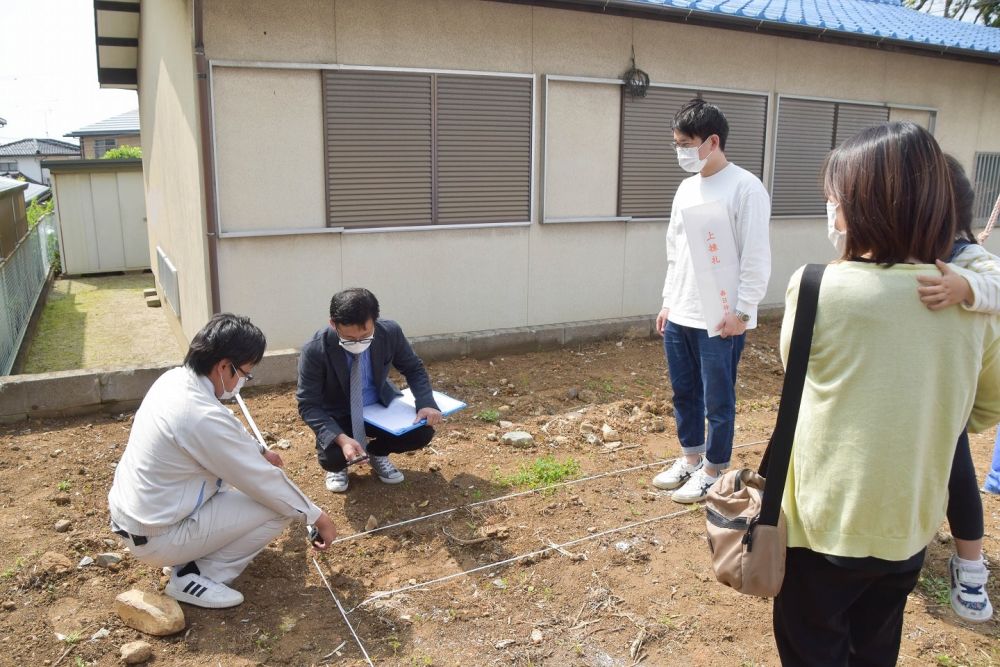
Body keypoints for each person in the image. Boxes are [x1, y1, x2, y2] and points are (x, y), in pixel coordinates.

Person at [773, 121, 1000, 665]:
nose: (830, 210)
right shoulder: (972, 304)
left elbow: (797, 378)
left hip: (822, 524)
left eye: (835, 199)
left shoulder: (815, 287)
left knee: (811, 642)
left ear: (866, 206)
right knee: (876, 642)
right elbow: (985, 407)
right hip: (910, 523)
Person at [108, 314, 338, 609]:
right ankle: (194, 575)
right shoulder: (198, 415)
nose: (243, 380)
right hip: (157, 535)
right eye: (245, 373)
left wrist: (258, 451)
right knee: (279, 508)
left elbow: (225, 430)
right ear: (223, 366)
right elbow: (264, 483)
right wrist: (317, 516)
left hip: (139, 515)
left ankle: (189, 556)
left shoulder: (174, 380)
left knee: (260, 496)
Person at [650, 98, 771, 503]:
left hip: (720, 318)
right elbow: (675, 250)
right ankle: (690, 458)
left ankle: (714, 468)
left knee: (718, 399)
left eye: (686, 143)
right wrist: (668, 301)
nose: (680, 151)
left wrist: (742, 312)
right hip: (682, 311)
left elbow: (756, 256)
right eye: (677, 144)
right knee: (684, 392)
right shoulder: (686, 189)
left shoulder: (745, 188)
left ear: (712, 141)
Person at [909, 156, 998, 622]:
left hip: (952, 398)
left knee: (957, 473)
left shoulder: (970, 258)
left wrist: (966, 288)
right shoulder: (902, 253)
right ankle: (911, 539)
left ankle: (969, 565)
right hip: (908, 390)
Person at [297, 288, 442, 493]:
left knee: (422, 433)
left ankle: (377, 453)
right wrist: (341, 438)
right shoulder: (315, 349)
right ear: (333, 324)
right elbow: (308, 404)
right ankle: (340, 467)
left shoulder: (389, 332)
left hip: (379, 406)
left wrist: (426, 402)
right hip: (340, 412)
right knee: (332, 458)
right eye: (349, 337)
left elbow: (413, 368)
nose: (357, 343)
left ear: (375, 320)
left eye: (365, 335)